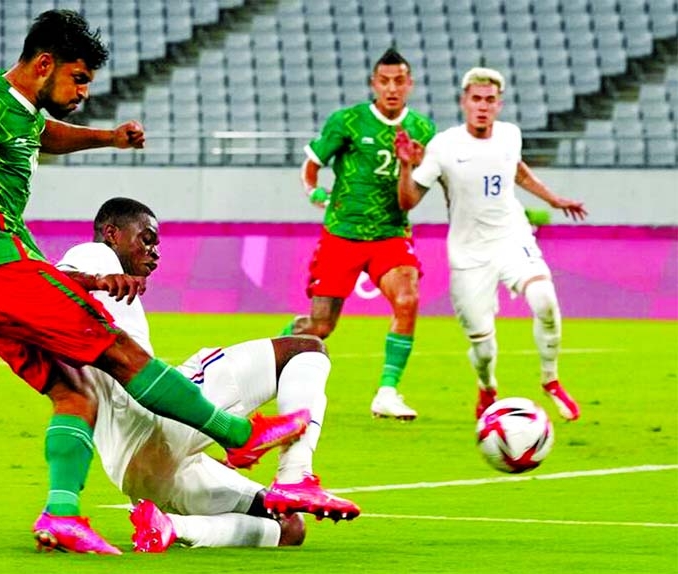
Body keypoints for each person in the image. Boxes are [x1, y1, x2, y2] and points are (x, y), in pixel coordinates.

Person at [0, 10, 309, 555]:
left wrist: (108, 138)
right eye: (79, 78)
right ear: (45, 64)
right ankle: (239, 437)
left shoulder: (20, 113)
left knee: (74, 391)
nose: (84, 91)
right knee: (118, 350)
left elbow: (46, 137)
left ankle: (61, 515)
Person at [54, 197, 360, 553]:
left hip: (135, 472)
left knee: (290, 527)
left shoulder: (105, 300)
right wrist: (95, 277)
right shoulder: (94, 255)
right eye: (146, 238)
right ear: (111, 233)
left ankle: (172, 526)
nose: (155, 252)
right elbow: (53, 281)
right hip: (155, 420)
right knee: (307, 349)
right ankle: (295, 476)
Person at [395, 66, 587, 421]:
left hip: (512, 237)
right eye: (476, 99)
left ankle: (551, 379)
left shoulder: (510, 135)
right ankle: (487, 387)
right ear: (463, 102)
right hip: (469, 254)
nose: (482, 106)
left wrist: (553, 199)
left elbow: (516, 169)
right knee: (482, 347)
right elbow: (408, 202)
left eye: (490, 100)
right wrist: (406, 167)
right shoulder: (444, 147)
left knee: (544, 299)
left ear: (499, 105)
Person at [282, 48, 436, 420]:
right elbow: (311, 165)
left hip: (390, 234)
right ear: (374, 84)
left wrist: (407, 166)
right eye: (384, 81)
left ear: (410, 84)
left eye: (399, 80)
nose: (392, 87)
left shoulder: (423, 131)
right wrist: (315, 193)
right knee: (320, 327)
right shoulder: (348, 122)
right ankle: (267, 362)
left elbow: (411, 197)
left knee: (407, 298)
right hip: (342, 236)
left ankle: (387, 392)